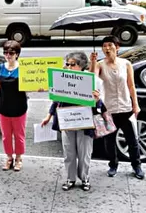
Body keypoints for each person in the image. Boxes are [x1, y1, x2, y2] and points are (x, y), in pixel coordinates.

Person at [41, 52, 105, 191]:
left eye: (72, 64)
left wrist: (97, 99)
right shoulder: (62, 79)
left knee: (84, 154)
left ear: (81, 66)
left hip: (85, 123)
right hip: (67, 121)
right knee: (68, 153)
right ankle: (70, 179)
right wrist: (49, 116)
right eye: (68, 64)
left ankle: (84, 178)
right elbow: (56, 100)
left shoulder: (93, 80)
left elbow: (100, 105)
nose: (69, 66)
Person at [90, 36, 145, 179]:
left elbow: (131, 85)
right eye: (104, 46)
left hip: (126, 107)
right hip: (108, 108)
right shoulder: (100, 65)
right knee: (109, 141)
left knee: (132, 140)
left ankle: (136, 166)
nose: (107, 48)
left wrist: (136, 105)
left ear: (117, 47)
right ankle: (113, 165)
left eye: (110, 45)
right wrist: (92, 62)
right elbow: (92, 80)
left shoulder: (126, 63)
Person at [0, 40, 28, 171]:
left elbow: (30, 85)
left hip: (19, 107)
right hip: (3, 106)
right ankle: (9, 157)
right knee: (6, 135)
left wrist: (38, 88)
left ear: (17, 54)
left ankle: (19, 158)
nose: (8, 55)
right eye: (5, 52)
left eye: (11, 53)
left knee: (19, 134)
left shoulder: (24, 69)